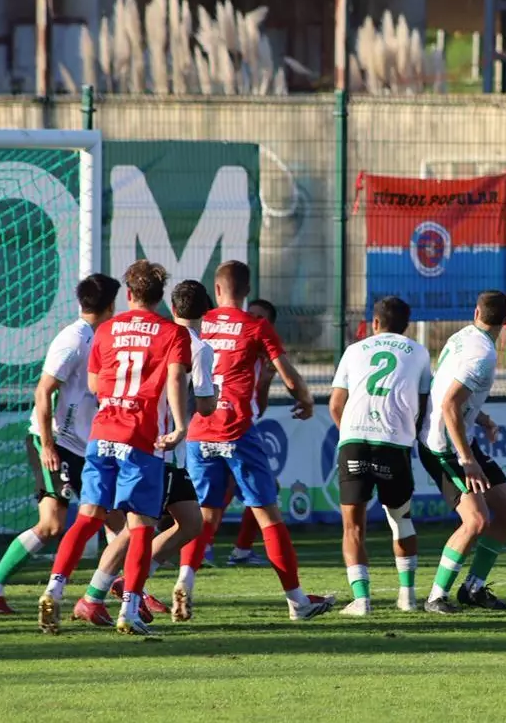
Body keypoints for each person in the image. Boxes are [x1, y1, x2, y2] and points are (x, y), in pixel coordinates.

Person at [37, 260, 191, 637]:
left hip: (102, 433)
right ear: (159, 295)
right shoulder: (173, 333)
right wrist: (180, 425)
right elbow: (174, 379)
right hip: (141, 437)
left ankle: (54, 589)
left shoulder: (106, 330)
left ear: (130, 293)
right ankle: (129, 610)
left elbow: (94, 384)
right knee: (140, 526)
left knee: (88, 516)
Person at [179, 260, 333, 621]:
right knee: (268, 516)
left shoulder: (199, 324)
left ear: (217, 290)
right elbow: (288, 375)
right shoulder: (256, 326)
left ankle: (185, 581)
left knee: (204, 516)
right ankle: (298, 602)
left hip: (199, 430)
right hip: (235, 429)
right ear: (247, 291)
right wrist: (305, 399)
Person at [0, 273, 119, 614]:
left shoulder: (98, 336)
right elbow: (43, 391)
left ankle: (117, 591)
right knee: (53, 524)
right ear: (111, 305)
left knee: (116, 520)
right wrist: (49, 445)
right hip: (57, 443)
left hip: (84, 446)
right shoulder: (73, 339)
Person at [73, 278, 215, 627]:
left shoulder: (154, 336)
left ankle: (130, 581)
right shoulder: (194, 345)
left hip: (150, 446)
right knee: (137, 526)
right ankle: (96, 594)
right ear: (207, 310)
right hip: (161, 449)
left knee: (190, 522)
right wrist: (206, 400)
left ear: (173, 307)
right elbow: (205, 404)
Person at [418, 290, 506, 614]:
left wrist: (483, 419)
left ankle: (473, 588)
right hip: (444, 448)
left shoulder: (464, 337)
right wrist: (467, 460)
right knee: (476, 521)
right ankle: (436, 597)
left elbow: (450, 393)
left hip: (461, 438)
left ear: (476, 312)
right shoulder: (483, 355)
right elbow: (449, 403)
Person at [329, 296, 432, 616]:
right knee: (401, 520)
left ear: (374, 323)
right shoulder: (419, 352)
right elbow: (424, 404)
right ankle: (408, 596)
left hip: (355, 441)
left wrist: (350, 433)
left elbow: (336, 405)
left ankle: (361, 601)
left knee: (352, 527)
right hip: (393, 443)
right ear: (407, 326)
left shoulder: (354, 350)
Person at [216, 298, 279, 568]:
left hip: (235, 425)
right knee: (220, 490)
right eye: (249, 314)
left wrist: (265, 382)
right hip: (219, 424)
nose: (252, 320)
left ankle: (237, 550)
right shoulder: (235, 345)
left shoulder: (260, 357)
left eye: (259, 317)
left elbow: (258, 409)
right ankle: (205, 550)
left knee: (229, 488)